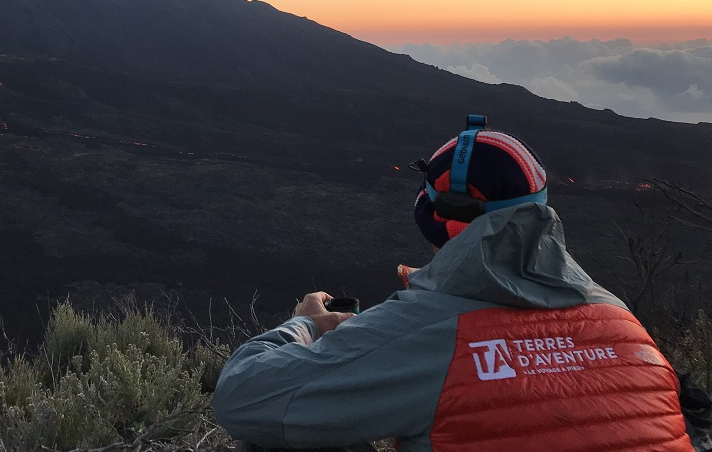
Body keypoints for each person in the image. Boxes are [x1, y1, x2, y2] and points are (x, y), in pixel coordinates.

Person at [213, 115, 695, 451]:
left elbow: (241, 397)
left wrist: (308, 328)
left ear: (433, 217)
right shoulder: (619, 317)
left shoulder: (421, 332)